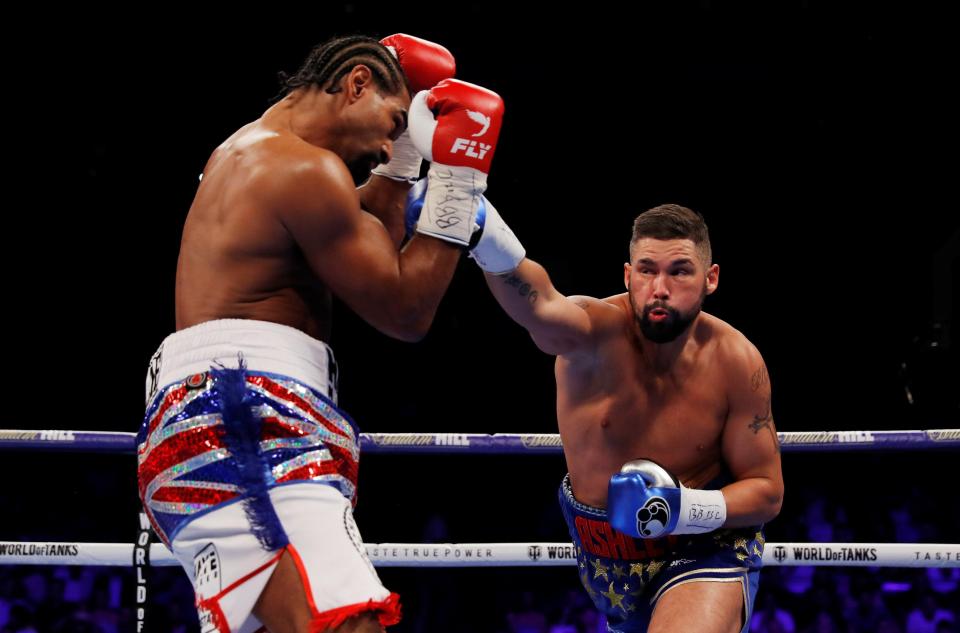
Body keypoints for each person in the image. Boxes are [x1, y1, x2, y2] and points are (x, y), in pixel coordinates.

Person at [136, 34, 505, 633]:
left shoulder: (252, 153)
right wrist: (460, 175)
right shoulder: (303, 170)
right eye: (392, 121)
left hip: (227, 415)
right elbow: (405, 310)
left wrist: (408, 152)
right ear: (356, 83)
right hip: (246, 415)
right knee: (349, 622)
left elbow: (371, 242)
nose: (389, 141)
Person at [460, 201, 784, 632]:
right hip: (606, 559)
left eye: (680, 271)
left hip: (704, 546)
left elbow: (767, 491)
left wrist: (681, 508)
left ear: (711, 279)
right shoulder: (591, 333)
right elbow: (538, 306)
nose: (660, 288)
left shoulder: (736, 361)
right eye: (647, 270)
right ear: (628, 276)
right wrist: (486, 238)